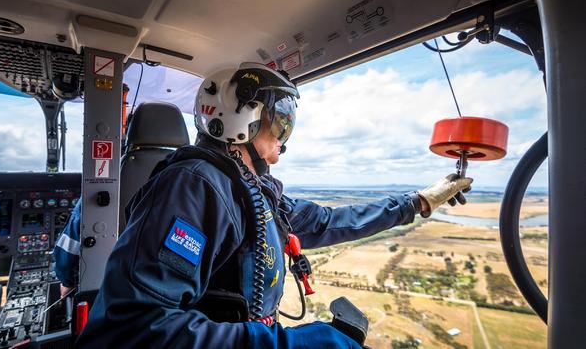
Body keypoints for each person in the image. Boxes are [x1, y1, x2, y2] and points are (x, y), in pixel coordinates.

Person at [76, 62, 472, 348]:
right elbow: (138, 330)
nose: (285, 136)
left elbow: (331, 221)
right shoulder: (193, 186)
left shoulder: (252, 188)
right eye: (279, 122)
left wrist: (416, 202)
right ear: (241, 119)